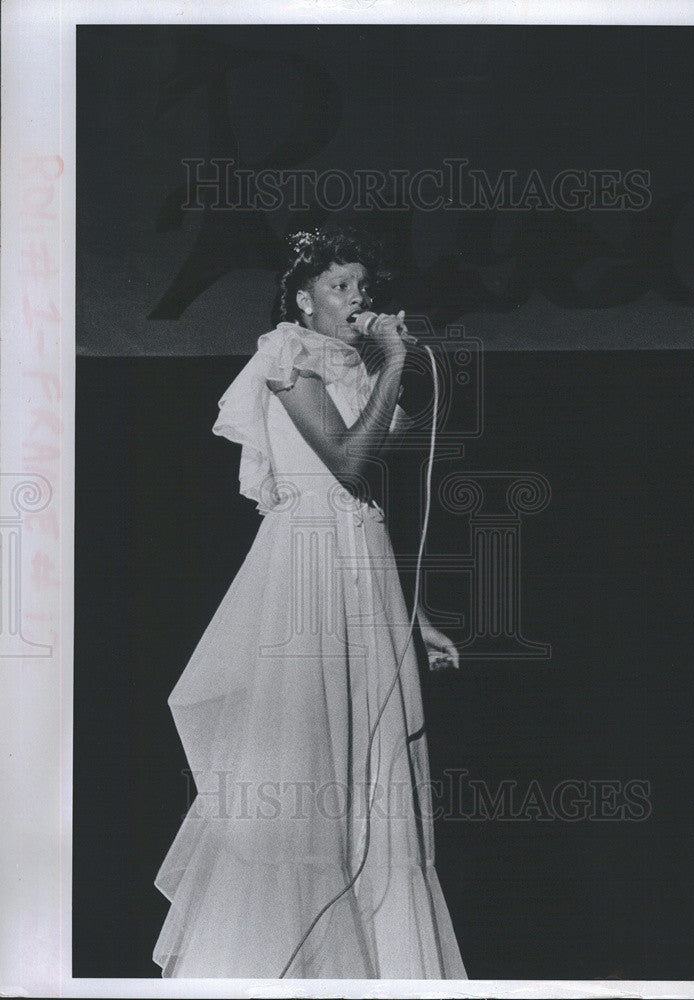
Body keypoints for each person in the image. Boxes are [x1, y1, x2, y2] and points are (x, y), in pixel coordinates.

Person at [152, 227, 467, 979]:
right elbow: (348, 458)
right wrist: (390, 362)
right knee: (304, 758)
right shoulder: (285, 357)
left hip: (360, 565)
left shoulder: (353, 365)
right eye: (340, 286)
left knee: (370, 760)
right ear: (303, 296)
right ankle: (287, 962)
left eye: (362, 287)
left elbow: (361, 492)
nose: (357, 299)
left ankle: (378, 960)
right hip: (306, 569)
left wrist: (411, 618)